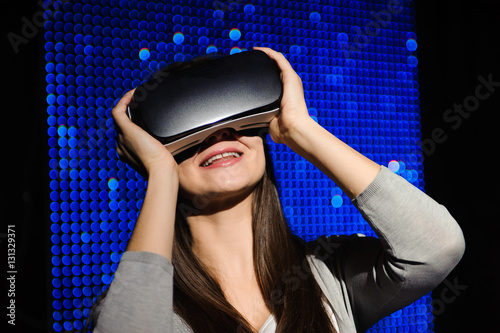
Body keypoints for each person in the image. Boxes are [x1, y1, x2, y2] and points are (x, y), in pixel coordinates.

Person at [86, 47, 465, 333]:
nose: (218, 133)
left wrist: (302, 130)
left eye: (237, 121)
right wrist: (160, 175)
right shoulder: (147, 304)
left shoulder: (328, 276)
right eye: (191, 132)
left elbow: (436, 248)